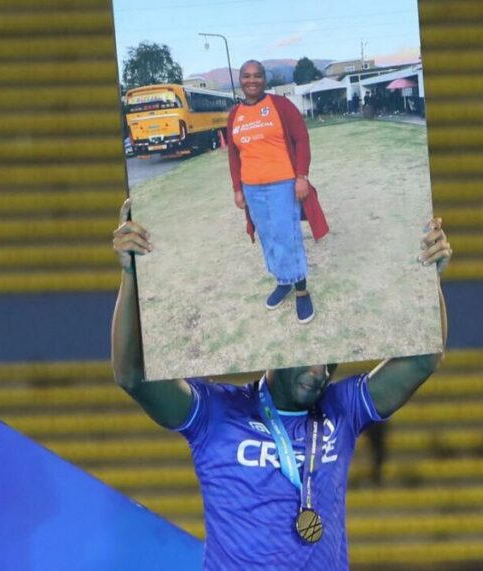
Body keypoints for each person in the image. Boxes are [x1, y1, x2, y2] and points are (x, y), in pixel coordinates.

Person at [111, 198, 451, 570]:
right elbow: (132, 377)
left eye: (330, 357)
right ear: (275, 347)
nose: (320, 369)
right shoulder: (215, 412)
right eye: (310, 352)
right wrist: (131, 275)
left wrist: (427, 279)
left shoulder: (343, 409)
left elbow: (424, 359)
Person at [227, 59, 329, 324]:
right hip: (252, 188)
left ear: (265, 79)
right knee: (268, 238)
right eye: (247, 76)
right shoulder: (234, 114)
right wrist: (238, 189)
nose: (252, 80)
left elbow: (301, 139)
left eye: (257, 75)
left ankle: (302, 290)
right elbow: (234, 154)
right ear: (240, 80)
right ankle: (283, 281)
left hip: (283, 185)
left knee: (288, 237)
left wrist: (301, 176)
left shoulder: (280, 106)